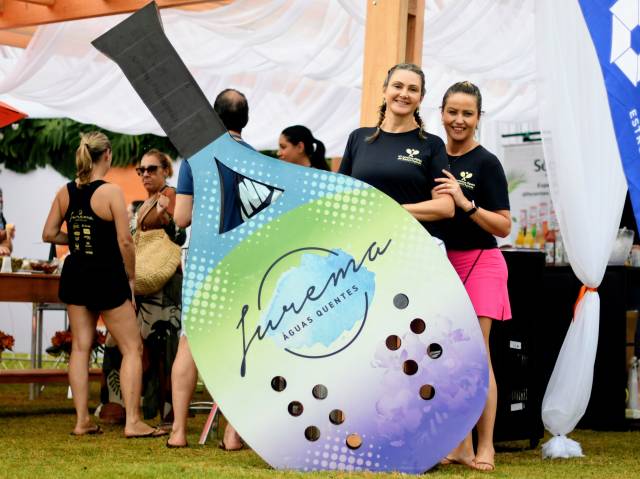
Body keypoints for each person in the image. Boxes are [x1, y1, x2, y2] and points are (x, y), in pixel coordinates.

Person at [42, 131, 164, 438]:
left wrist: (77, 238)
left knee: (81, 348)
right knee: (132, 347)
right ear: (107, 154)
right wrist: (132, 279)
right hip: (107, 276)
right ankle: (133, 422)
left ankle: (82, 420)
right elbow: (125, 241)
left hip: (76, 273)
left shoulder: (65, 191)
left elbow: (49, 233)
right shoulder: (111, 192)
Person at [168, 88, 256, 449]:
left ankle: (177, 433)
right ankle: (233, 434)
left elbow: (181, 216)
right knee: (240, 343)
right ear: (245, 120)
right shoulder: (255, 159)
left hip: (203, 258)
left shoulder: (195, 156)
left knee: (190, 343)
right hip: (241, 258)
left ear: (213, 117)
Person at [434, 81, 511, 472]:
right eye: (453, 112)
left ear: (479, 117)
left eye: (467, 113)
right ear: (441, 113)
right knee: (448, 357)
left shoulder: (487, 163)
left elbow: (503, 226)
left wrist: (466, 205)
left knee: (477, 357)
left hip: (481, 263)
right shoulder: (432, 155)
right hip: (441, 264)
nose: (459, 120)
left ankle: (487, 446)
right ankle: (460, 444)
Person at [338, 63, 454, 241]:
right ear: (385, 90)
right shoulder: (358, 138)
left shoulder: (432, 145)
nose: (404, 94)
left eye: (413, 89)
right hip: (360, 242)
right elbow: (339, 195)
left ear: (420, 98)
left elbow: (445, 207)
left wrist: (393, 211)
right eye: (397, 86)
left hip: (406, 247)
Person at [133, 149, 186, 423]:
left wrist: (165, 218)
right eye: (141, 170)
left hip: (166, 282)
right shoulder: (147, 201)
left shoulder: (172, 196)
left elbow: (181, 234)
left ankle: (168, 410)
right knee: (148, 347)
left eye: (151, 169)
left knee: (165, 346)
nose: (145, 174)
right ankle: (148, 406)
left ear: (166, 169)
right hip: (147, 281)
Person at [0, 187, 14, 256]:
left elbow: (9, 245)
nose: (1, 200)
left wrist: (4, 247)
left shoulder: (1, 217)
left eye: (1, 196)